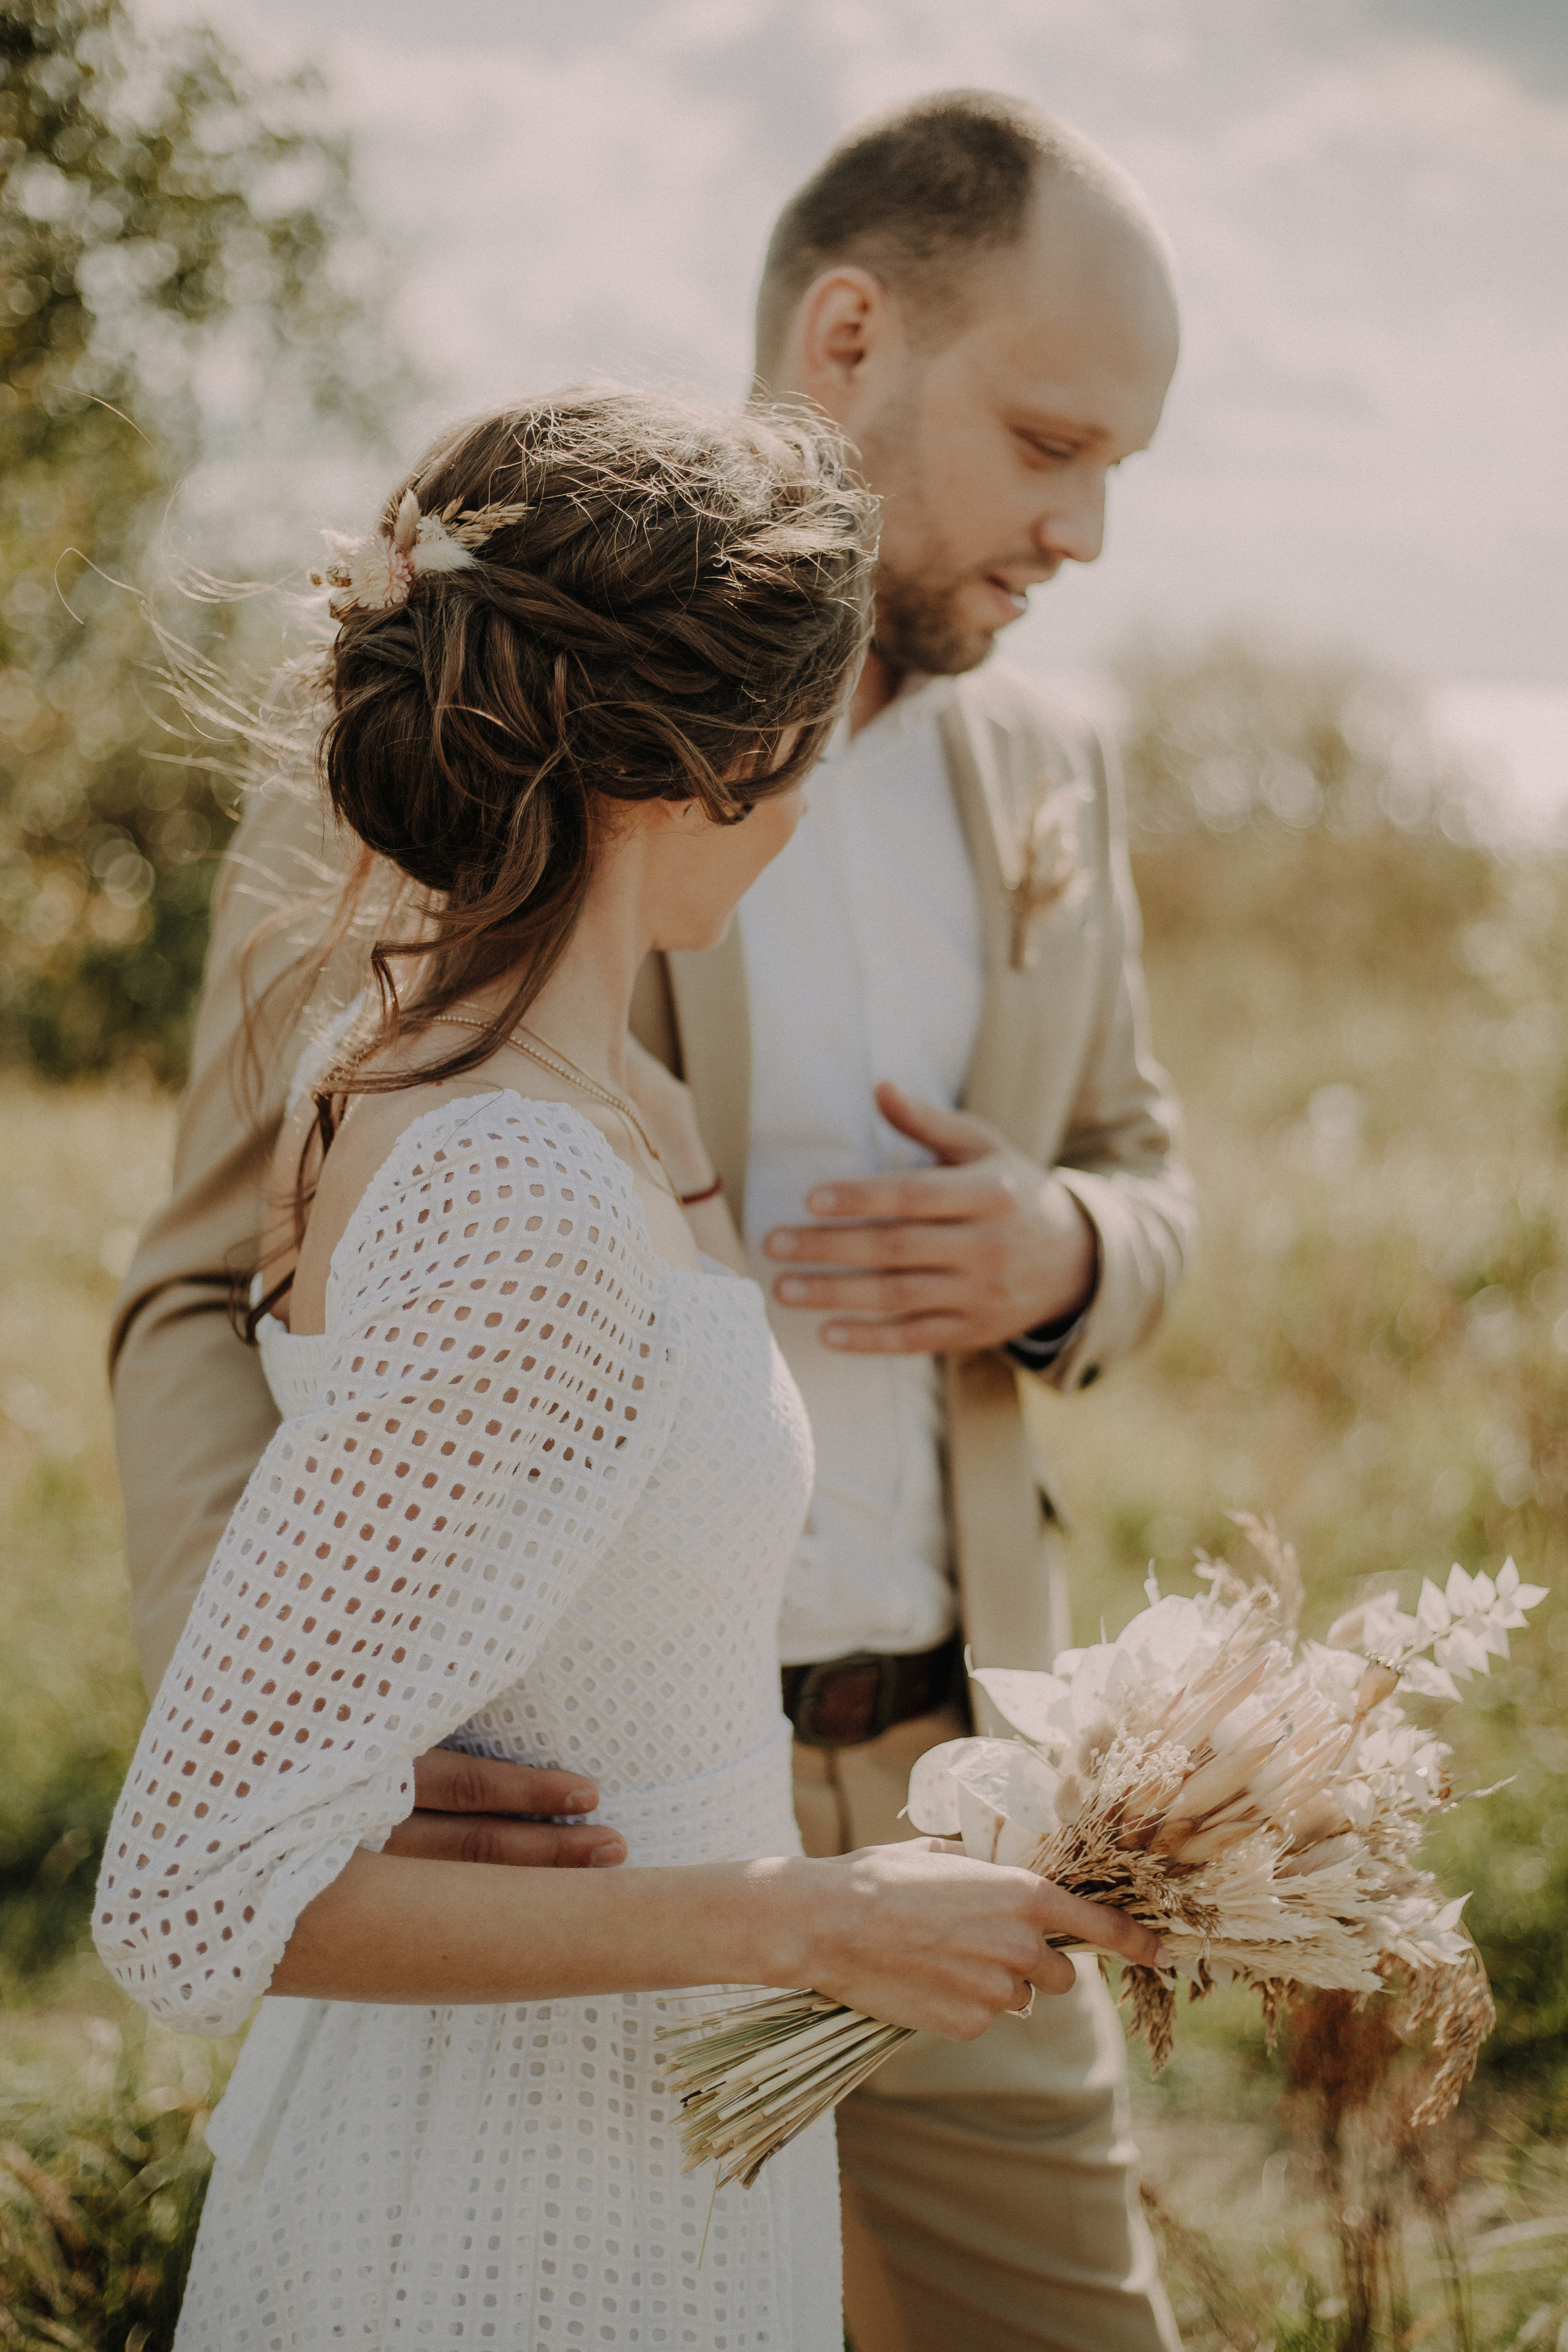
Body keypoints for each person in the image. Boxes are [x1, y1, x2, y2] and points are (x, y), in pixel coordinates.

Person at [110, 93, 1198, 2352]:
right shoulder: (463, 709)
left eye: (1122, 468)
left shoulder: (1050, 777)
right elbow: (217, 1280)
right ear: (851, 333)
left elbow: (1145, 1156)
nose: (1085, 528)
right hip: (552, 1850)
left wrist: (1070, 1247)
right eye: (1049, 442)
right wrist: (310, 1702)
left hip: (948, 1771)